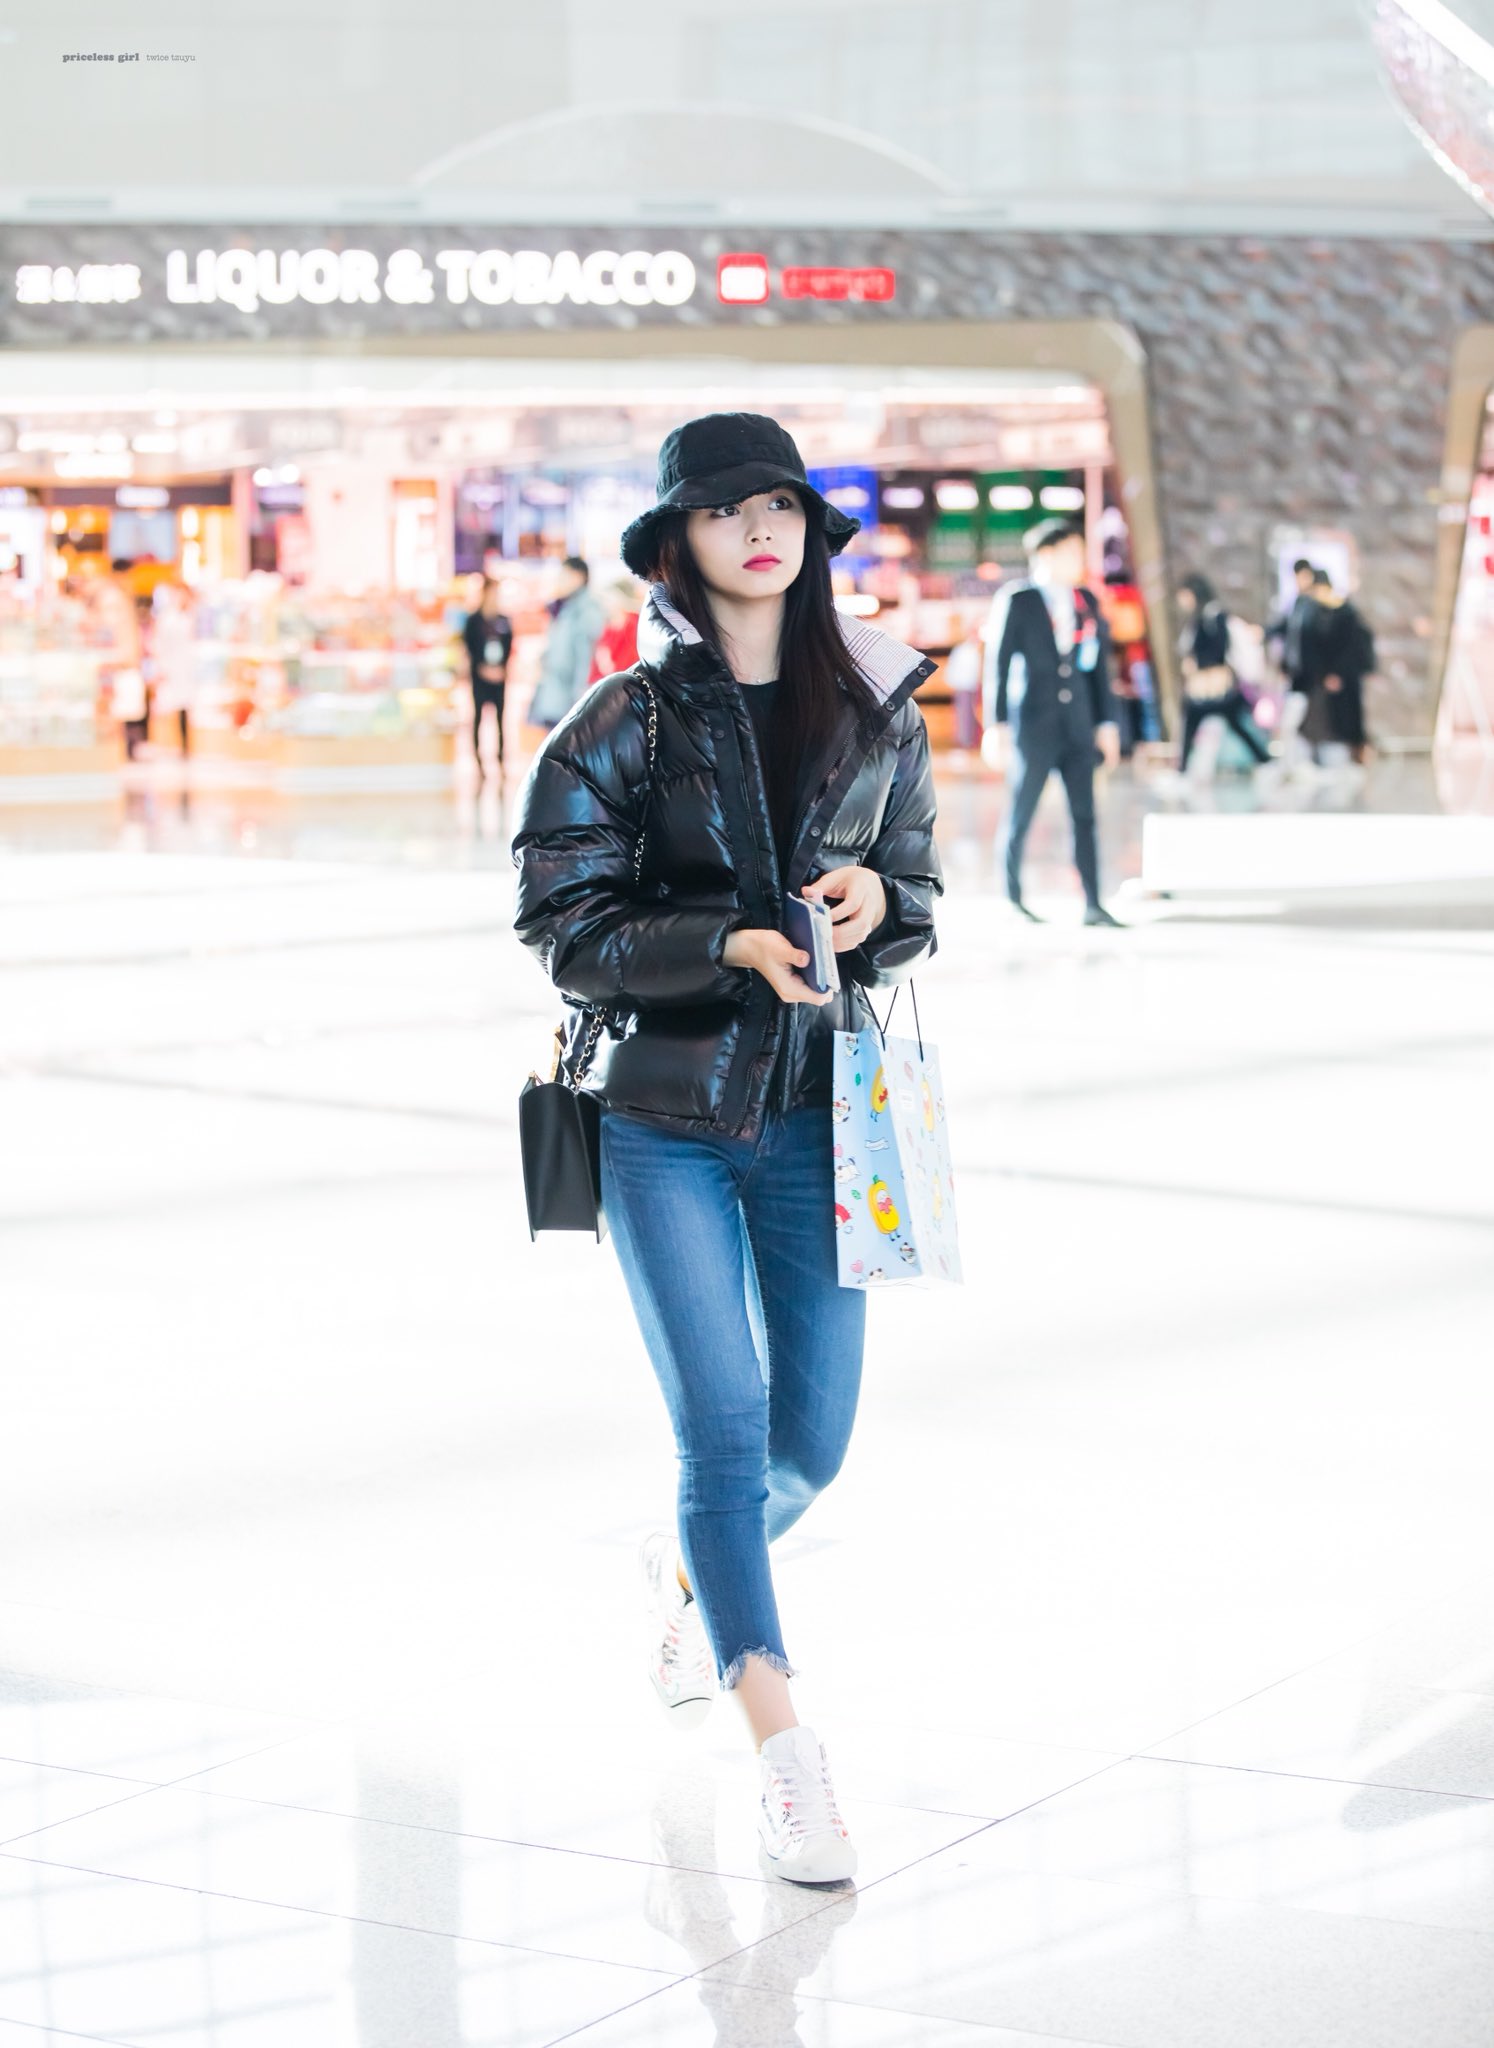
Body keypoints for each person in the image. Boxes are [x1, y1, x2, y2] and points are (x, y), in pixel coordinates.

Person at [512, 411, 941, 1886]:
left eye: (779, 505)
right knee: (721, 1426)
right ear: (675, 542)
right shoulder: (619, 721)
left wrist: (879, 908)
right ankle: (784, 1749)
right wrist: (727, 942)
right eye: (722, 509)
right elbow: (564, 926)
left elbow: (919, 893)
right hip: (665, 1123)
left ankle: (700, 1573)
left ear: (809, 530)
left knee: (808, 1444)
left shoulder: (879, 706)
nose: (758, 530)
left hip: (825, 1120)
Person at [981, 519, 1122, 926]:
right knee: (1022, 808)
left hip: (1078, 722)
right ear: (1046, 554)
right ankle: (1013, 896)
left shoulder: (1085, 601)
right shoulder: (1019, 599)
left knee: (1085, 813)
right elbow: (999, 664)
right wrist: (997, 725)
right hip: (1033, 722)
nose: (1079, 560)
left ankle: (1093, 902)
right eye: (1071, 552)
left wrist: (1107, 724)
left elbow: (1099, 668)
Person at [1175, 573, 1273, 774]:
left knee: (1229, 724)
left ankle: (1265, 761)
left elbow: (1230, 650)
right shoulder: (1200, 620)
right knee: (1230, 724)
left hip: (1216, 685)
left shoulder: (1216, 618)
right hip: (1207, 686)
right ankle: (1264, 760)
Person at [1301, 571, 1374, 763]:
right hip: (1326, 676)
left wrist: (1337, 673)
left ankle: (1356, 755)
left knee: (1349, 718)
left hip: (1345, 676)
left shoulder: (1345, 612)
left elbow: (1350, 647)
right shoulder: (1317, 612)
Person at [527, 555, 604, 728]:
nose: (559, 581)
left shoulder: (586, 611)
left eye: (564, 575)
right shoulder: (565, 608)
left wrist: (581, 702)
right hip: (557, 698)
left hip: (570, 701)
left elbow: (585, 658)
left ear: (579, 577)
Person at [461, 576, 513, 777]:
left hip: (499, 678)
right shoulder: (473, 621)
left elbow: (509, 645)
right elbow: (469, 647)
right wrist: (481, 668)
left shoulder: (503, 620)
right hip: (479, 677)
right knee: (478, 718)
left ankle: (500, 759)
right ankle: (478, 761)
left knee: (501, 719)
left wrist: (501, 669)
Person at [1266, 558, 1319, 698]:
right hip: (1295, 669)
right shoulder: (1297, 603)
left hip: (1313, 672)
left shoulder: (1316, 605)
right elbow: (1287, 630)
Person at [586, 576, 642, 686]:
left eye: (608, 599)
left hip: (627, 684)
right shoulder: (607, 627)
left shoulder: (634, 624)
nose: (605, 604)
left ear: (620, 599)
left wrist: (609, 665)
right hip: (606, 684)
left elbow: (632, 661)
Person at [944, 620, 983, 753]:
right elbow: (953, 670)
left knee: (975, 716)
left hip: (976, 687)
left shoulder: (979, 649)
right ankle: (965, 741)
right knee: (964, 716)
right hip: (964, 686)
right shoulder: (963, 650)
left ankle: (973, 741)